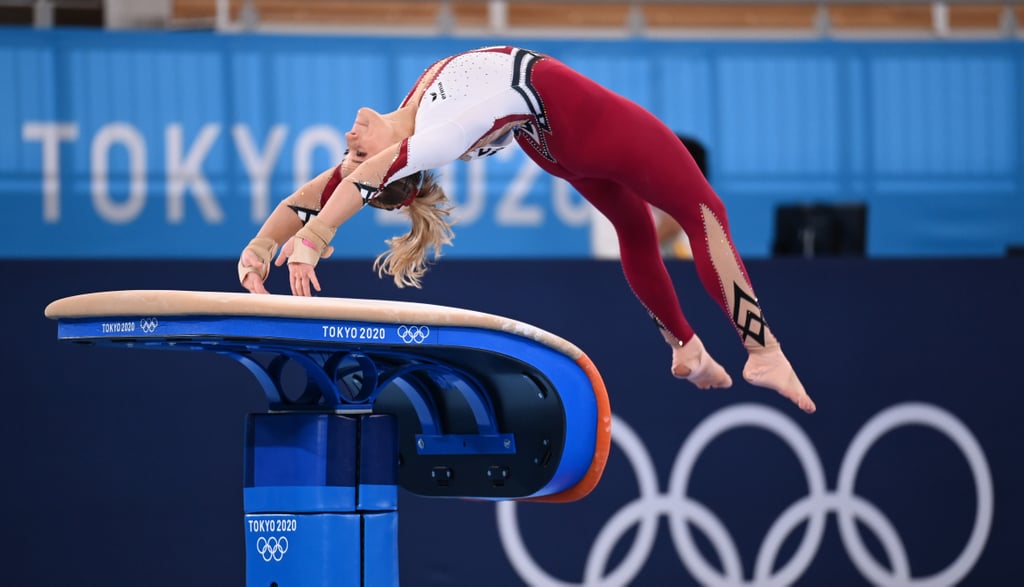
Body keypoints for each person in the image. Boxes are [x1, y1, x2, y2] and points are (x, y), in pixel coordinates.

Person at [237, 45, 816, 414]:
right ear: (402, 162)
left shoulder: (412, 123)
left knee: (634, 228)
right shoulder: (437, 133)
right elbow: (362, 180)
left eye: (349, 150)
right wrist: (312, 243)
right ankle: (761, 349)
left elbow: (311, 195)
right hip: (579, 122)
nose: (349, 141)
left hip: (553, 142)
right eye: (355, 152)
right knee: (703, 212)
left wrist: (263, 245)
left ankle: (684, 347)